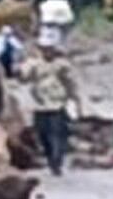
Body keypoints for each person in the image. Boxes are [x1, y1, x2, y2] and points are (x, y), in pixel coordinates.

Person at [23, 35, 76, 175]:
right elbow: (24, 77)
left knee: (56, 134)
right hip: (39, 104)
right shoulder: (33, 63)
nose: (47, 51)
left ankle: (56, 162)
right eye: (44, 49)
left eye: (49, 49)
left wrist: (73, 98)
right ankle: (50, 158)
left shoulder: (61, 65)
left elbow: (70, 82)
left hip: (57, 103)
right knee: (42, 134)